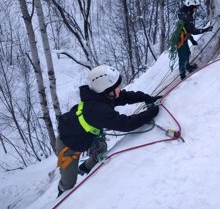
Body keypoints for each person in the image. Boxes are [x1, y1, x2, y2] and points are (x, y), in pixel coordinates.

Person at [56, 65, 161, 197]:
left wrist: (147, 98)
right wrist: (150, 114)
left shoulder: (101, 96)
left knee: (101, 149)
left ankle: (85, 168)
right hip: (68, 145)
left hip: (85, 135)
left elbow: (125, 97)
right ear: (107, 89)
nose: (120, 88)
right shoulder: (97, 109)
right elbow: (126, 124)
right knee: (68, 184)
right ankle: (60, 196)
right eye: (117, 86)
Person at [177, 0, 213, 80]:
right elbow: (193, 30)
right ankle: (182, 75)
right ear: (190, 6)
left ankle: (188, 66)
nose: (195, 9)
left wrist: (192, 40)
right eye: (195, 7)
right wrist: (206, 29)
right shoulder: (186, 16)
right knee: (183, 57)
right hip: (180, 39)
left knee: (187, 53)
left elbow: (186, 29)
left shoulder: (184, 13)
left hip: (183, 36)